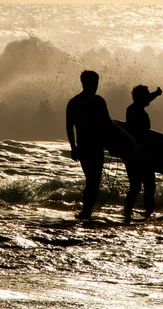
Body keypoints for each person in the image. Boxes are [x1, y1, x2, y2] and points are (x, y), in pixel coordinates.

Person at [66, 70, 112, 220]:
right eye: (94, 82)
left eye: (97, 82)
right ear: (85, 83)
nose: (96, 85)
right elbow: (69, 126)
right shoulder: (78, 102)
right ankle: (86, 212)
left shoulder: (95, 101)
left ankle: (87, 211)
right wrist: (73, 147)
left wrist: (112, 145)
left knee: (93, 181)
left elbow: (107, 125)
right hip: (88, 147)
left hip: (93, 146)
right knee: (93, 181)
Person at [123, 85, 162, 221]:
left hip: (139, 154)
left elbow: (145, 99)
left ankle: (134, 212)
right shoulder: (135, 111)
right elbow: (138, 134)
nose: (149, 99)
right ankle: (141, 213)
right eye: (146, 96)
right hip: (138, 154)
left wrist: (156, 94)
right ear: (141, 97)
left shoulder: (134, 108)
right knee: (143, 186)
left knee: (142, 186)